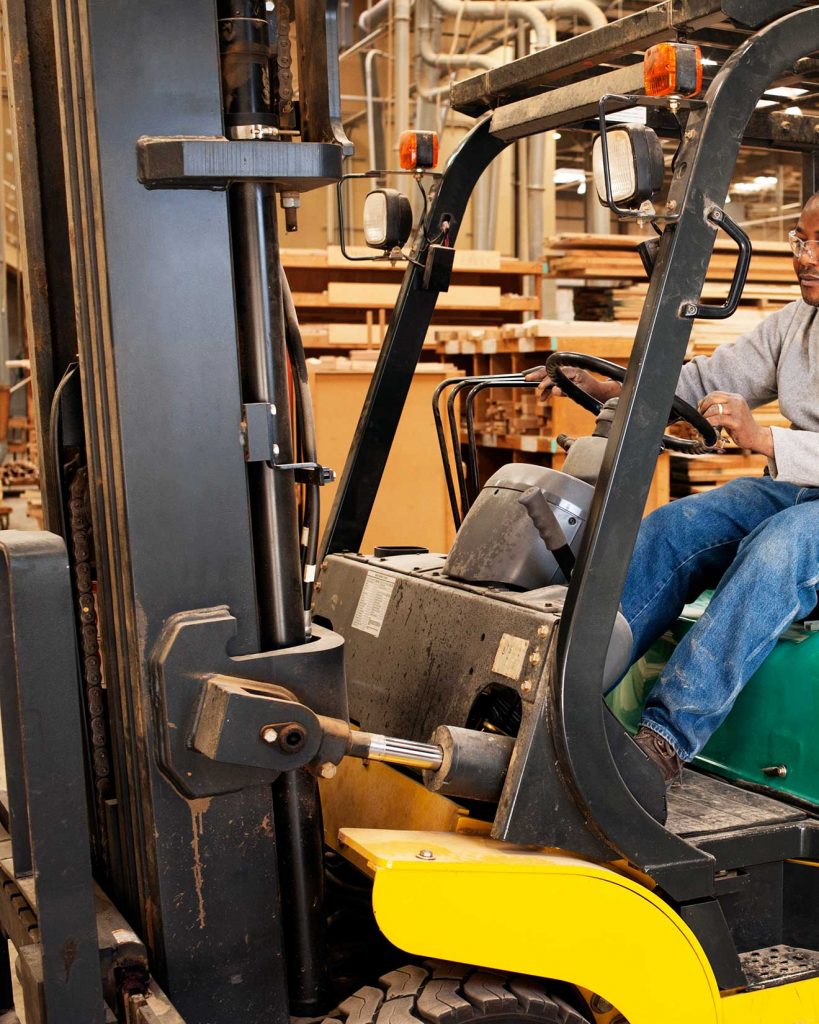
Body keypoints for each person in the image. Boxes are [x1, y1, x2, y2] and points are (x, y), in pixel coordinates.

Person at [529, 193, 819, 789]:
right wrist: (603, 379)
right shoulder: (798, 322)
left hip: (800, 502)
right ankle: (550, 697)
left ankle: (663, 741)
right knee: (672, 528)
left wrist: (764, 438)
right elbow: (704, 380)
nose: (807, 258)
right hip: (797, 487)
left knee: (777, 550)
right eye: (800, 241)